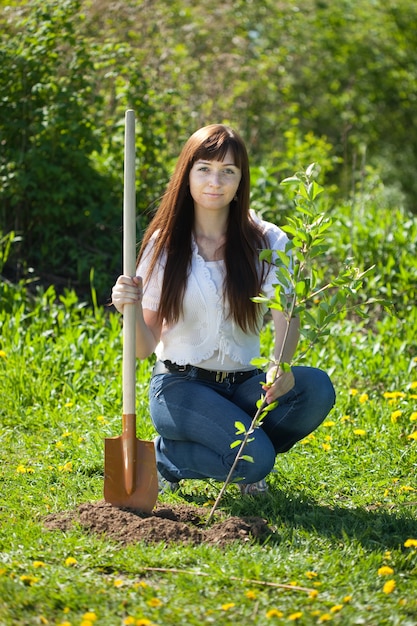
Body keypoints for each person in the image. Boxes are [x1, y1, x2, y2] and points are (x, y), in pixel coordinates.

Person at [111, 124, 335, 495]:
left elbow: (286, 314)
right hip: (181, 388)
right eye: (204, 169)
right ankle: (169, 458)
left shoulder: (268, 240)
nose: (215, 181)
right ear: (187, 175)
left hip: (245, 384)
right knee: (256, 460)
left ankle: (240, 453)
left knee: (316, 389)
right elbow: (142, 347)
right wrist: (128, 310)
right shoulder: (163, 244)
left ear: (240, 181)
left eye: (228, 171)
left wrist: (281, 363)